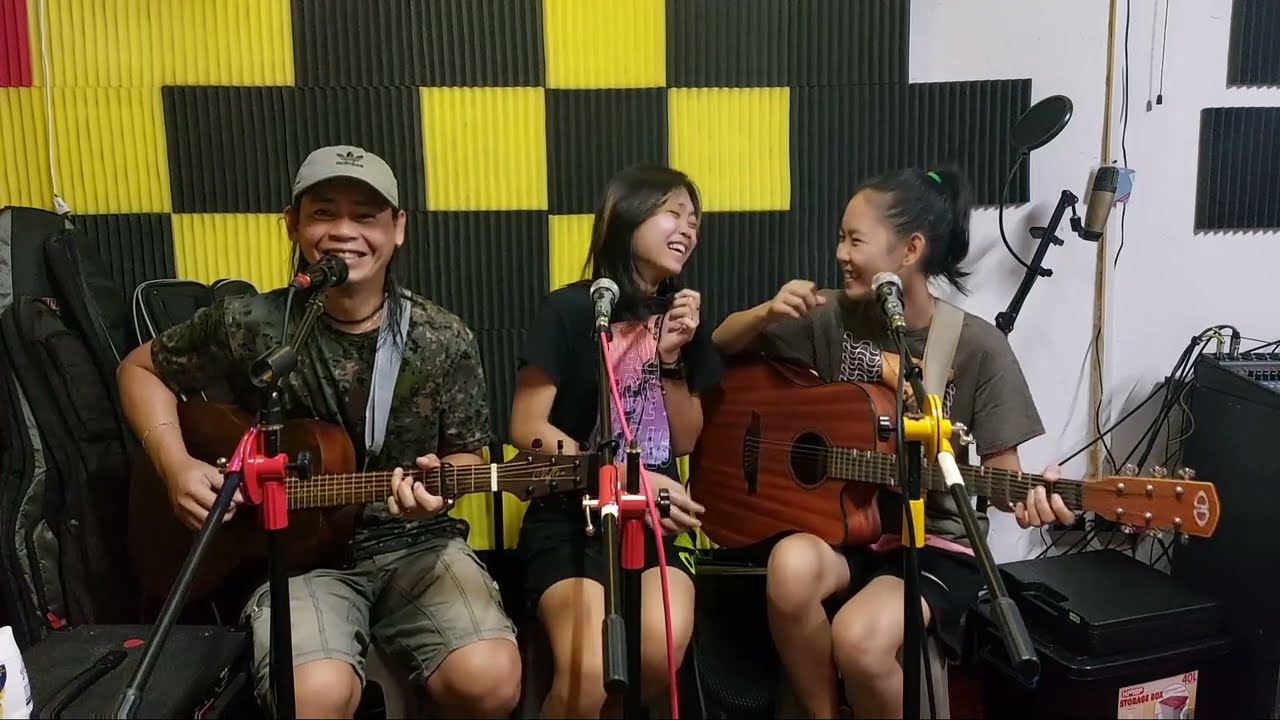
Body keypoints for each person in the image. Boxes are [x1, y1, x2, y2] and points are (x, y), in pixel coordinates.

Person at [117, 146, 521, 719]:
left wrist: (440, 488)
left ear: (398, 228)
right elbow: (139, 370)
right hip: (295, 561)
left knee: (490, 681)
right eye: (324, 213)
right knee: (313, 696)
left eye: (366, 216)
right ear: (293, 224)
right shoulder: (252, 323)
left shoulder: (442, 337)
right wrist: (175, 464)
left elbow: (466, 456)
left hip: (416, 545)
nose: (344, 232)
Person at [711, 167, 1075, 719]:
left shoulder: (978, 347)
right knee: (789, 568)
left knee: (860, 642)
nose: (841, 254)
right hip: (843, 529)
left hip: (934, 547)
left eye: (855, 240)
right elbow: (719, 346)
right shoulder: (827, 316)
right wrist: (764, 314)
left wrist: (1031, 498)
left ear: (910, 250)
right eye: (841, 238)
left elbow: (1004, 479)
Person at [509, 164, 724, 717]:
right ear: (627, 217)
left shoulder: (683, 319)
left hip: (656, 520)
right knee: (587, 673)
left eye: (694, 220)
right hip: (570, 517)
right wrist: (625, 477)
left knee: (656, 650)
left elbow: (683, 441)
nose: (688, 229)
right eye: (673, 213)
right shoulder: (569, 309)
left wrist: (671, 357)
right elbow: (527, 428)